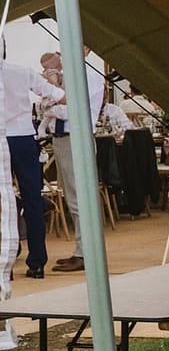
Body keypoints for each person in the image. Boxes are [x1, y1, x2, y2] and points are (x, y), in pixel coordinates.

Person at [2, 50, 61, 277]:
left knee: (3, 202)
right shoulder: (22, 72)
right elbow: (56, 94)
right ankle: (37, 262)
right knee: (33, 199)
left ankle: (5, 263)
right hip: (24, 138)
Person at [45, 45, 104, 273]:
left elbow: (70, 105)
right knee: (72, 196)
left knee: (80, 197)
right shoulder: (72, 73)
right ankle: (82, 249)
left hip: (75, 137)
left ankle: (85, 253)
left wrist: (52, 92)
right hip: (64, 137)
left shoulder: (87, 73)